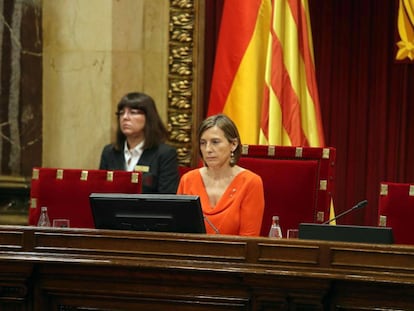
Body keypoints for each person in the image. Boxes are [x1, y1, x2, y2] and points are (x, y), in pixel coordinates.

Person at [177, 114, 265, 236]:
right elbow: (178, 234)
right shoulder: (188, 180)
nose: (208, 149)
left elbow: (249, 241)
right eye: (203, 143)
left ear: (233, 144)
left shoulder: (251, 182)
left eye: (215, 142)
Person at [99, 92, 179, 193]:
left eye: (133, 112)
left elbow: (167, 198)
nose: (125, 117)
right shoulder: (109, 152)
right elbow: (101, 192)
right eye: (121, 113)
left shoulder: (165, 154)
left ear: (149, 117)